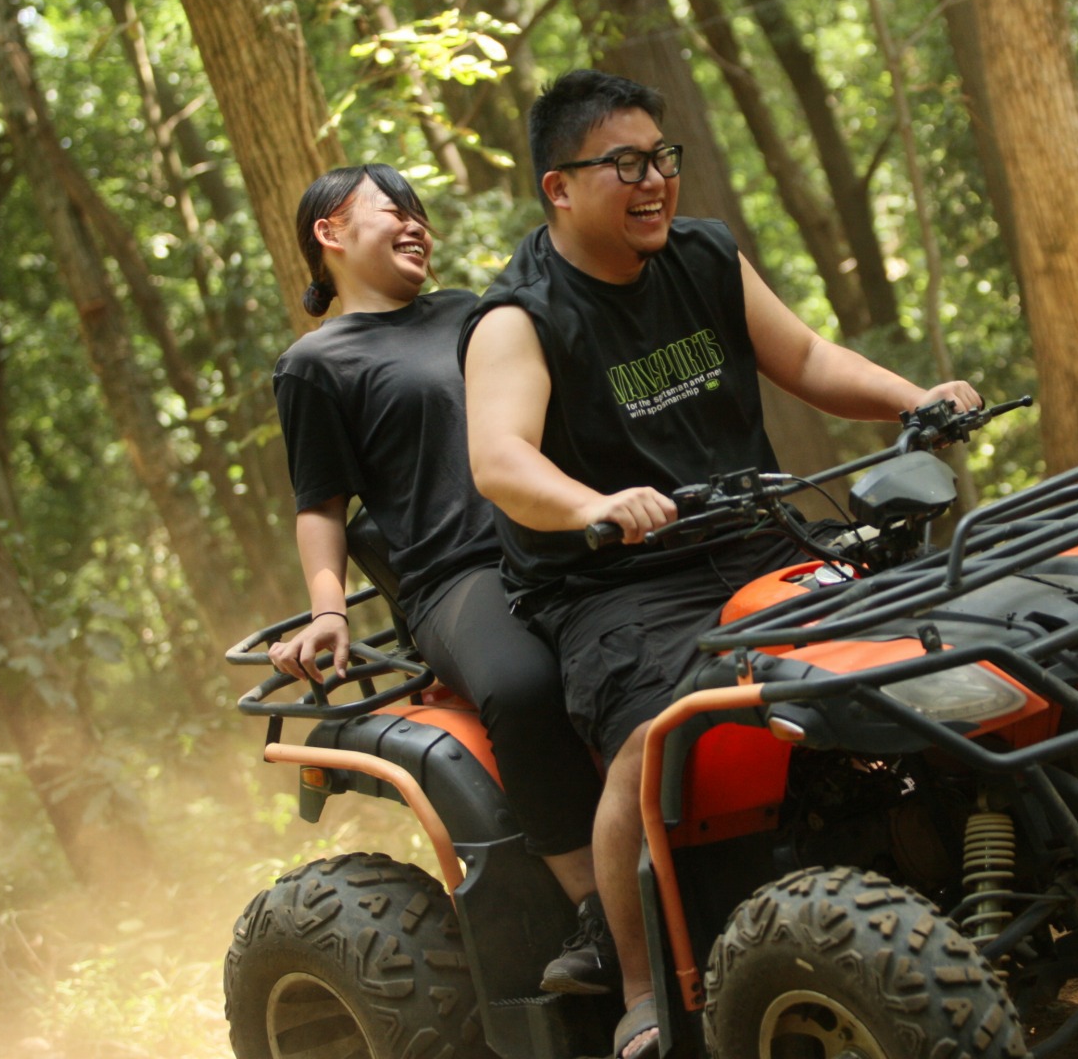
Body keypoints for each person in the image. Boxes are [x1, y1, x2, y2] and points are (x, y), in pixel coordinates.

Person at [460, 71, 982, 1059]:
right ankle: (643, 987)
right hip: (618, 583)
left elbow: (808, 359)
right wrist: (593, 507)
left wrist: (913, 400)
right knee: (649, 744)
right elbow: (500, 459)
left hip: (757, 539)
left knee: (925, 640)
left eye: (662, 157)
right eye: (625, 164)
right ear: (558, 187)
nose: (655, 180)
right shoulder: (517, 319)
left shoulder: (702, 255)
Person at [267, 163, 615, 995]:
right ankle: (601, 915)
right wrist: (327, 610)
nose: (416, 224)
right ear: (330, 233)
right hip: (456, 575)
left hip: (566, 539)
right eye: (394, 210)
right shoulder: (316, 363)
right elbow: (321, 505)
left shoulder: (474, 313)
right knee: (524, 686)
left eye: (420, 212)